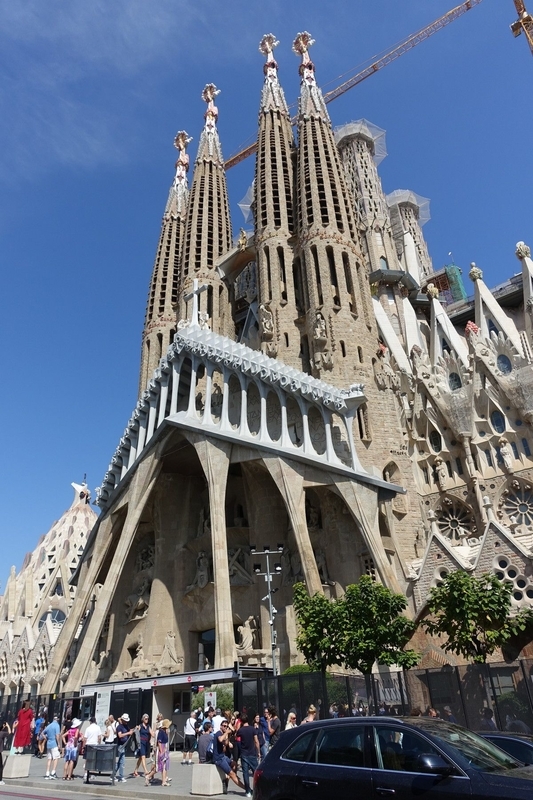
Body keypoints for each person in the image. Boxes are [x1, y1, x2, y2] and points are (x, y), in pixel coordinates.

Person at [213, 719, 245, 791]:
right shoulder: (218, 733)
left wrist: (228, 735)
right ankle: (246, 789)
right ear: (221, 726)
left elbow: (226, 744)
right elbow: (220, 740)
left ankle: (227, 779)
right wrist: (226, 732)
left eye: (227, 726)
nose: (225, 727)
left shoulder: (223, 734)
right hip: (218, 759)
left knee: (234, 764)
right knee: (232, 774)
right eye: (224, 726)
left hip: (223, 756)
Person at [237, 714, 260, 798]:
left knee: (245, 773)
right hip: (252, 753)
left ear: (241, 721)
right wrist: (258, 752)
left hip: (244, 754)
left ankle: (247, 791)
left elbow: (237, 738)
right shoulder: (252, 729)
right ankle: (258, 789)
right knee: (256, 773)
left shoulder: (240, 731)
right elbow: (256, 741)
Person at [145, 718, 171, 787]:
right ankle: (148, 776)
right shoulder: (161, 732)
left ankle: (164, 781)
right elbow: (159, 742)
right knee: (157, 767)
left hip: (165, 749)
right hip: (161, 750)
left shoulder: (164, 732)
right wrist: (161, 751)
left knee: (164, 767)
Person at [116, 713, 135, 783]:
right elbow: (120, 735)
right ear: (122, 720)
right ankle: (121, 777)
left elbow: (129, 731)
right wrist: (128, 733)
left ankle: (113, 774)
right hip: (121, 746)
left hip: (125, 745)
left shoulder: (126, 726)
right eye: (125, 720)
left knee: (120, 762)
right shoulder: (119, 727)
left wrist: (134, 729)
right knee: (122, 762)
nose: (127, 722)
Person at [43, 714, 61, 780]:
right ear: (58, 719)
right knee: (56, 758)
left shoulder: (49, 725)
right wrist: (59, 743)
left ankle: (47, 773)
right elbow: (57, 735)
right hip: (54, 744)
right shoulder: (57, 726)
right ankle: (53, 772)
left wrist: (46, 738)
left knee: (49, 758)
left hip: (49, 743)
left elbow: (42, 733)